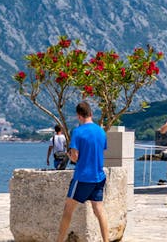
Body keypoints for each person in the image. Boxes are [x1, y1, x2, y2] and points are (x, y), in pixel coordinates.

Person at [55, 101, 109, 242]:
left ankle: (59, 240)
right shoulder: (101, 131)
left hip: (83, 177)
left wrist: (69, 155)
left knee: (68, 210)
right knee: (99, 210)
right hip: (99, 176)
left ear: (79, 116)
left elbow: (75, 157)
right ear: (91, 114)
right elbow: (101, 150)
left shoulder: (78, 132)